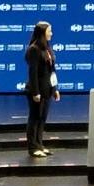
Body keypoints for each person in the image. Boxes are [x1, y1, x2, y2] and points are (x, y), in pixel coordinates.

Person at [24, 21, 60, 158]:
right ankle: (32, 147)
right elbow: (32, 73)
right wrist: (36, 92)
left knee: (42, 119)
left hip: (47, 90)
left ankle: (39, 145)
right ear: (42, 33)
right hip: (37, 91)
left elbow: (52, 71)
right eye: (49, 31)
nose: (51, 33)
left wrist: (55, 89)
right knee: (35, 119)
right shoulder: (34, 49)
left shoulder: (47, 48)